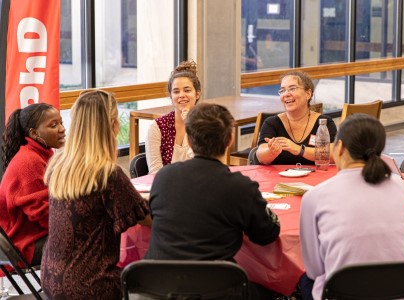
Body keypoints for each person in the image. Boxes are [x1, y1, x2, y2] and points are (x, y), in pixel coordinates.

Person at [145, 103, 280, 299]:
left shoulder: (164, 177)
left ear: (189, 142)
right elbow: (266, 234)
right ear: (230, 140)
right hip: (216, 291)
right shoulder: (240, 187)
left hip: (157, 288)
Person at [42, 90, 152, 299]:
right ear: (112, 125)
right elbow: (147, 219)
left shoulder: (58, 166)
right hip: (92, 286)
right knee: (149, 285)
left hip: (51, 279)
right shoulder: (107, 174)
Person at [299, 114, 404, 300]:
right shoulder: (401, 187)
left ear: (340, 148)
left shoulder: (316, 196)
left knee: (304, 281)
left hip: (341, 293)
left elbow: (314, 269)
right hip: (399, 293)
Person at [0, 103, 65, 266]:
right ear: (34, 133)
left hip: (36, 235)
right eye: (53, 125)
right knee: (94, 238)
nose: (62, 129)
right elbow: (44, 215)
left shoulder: (41, 154)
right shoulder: (30, 162)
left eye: (61, 123)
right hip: (26, 245)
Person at [255, 70, 337, 165]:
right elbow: (261, 157)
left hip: (316, 178)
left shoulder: (324, 123)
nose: (286, 94)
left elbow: (334, 154)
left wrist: (299, 150)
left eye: (292, 89)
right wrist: (271, 151)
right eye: (282, 90)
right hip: (281, 179)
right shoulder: (272, 123)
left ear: (308, 94)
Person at [146, 60, 201, 174]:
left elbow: (205, 166)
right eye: (176, 92)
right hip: (167, 187)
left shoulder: (207, 124)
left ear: (197, 94)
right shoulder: (157, 127)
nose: (181, 95)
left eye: (187, 90)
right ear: (171, 96)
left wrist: (190, 125)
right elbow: (155, 172)